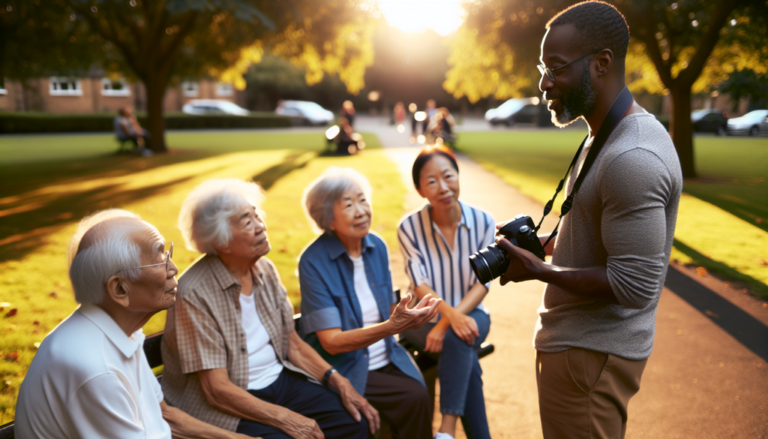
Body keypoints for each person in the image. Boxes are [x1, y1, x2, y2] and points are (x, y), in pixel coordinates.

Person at [495, 2, 682, 438]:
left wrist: (539, 271)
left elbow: (634, 285)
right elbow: (600, 236)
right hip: (580, 352)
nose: (544, 82)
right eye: (544, 67)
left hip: (589, 358)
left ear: (601, 63)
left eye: (556, 68)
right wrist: (540, 243)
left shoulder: (632, 156)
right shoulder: (605, 135)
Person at [162, 179, 379, 438]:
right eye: (247, 222)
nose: (261, 226)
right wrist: (287, 419)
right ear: (221, 242)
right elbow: (216, 390)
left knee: (354, 423)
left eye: (257, 215)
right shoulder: (194, 293)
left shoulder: (265, 270)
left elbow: (293, 344)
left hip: (281, 381)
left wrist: (339, 381)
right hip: (232, 400)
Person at [15, 209, 249, 439]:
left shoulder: (122, 330)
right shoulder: (96, 370)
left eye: (167, 253)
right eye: (160, 259)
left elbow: (165, 416)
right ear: (119, 289)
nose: (174, 269)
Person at [298, 167, 440, 439]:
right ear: (328, 218)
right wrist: (392, 325)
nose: (361, 210)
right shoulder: (312, 262)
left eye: (363, 200)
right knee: (411, 398)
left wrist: (411, 314)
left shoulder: (376, 246)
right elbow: (331, 341)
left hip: (388, 357)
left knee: (419, 392)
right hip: (347, 368)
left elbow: (390, 312)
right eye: (348, 204)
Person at [397, 145, 495, 439]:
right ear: (419, 189)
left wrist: (447, 324)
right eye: (431, 181)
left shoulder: (483, 221)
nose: (443, 187)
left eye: (448, 176)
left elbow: (483, 283)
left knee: (459, 335)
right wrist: (445, 319)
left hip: (471, 313)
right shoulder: (409, 227)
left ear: (458, 175)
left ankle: (446, 429)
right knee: (466, 351)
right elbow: (419, 284)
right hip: (423, 320)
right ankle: (453, 431)